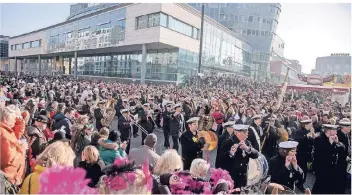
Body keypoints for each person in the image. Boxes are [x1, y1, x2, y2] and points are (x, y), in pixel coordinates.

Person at [219, 124, 259, 189]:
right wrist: (231, 153)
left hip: (242, 177)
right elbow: (221, 159)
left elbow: (256, 155)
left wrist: (248, 149)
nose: (247, 133)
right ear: (237, 133)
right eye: (245, 132)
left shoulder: (247, 143)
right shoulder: (228, 142)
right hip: (231, 176)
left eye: (247, 132)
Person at [312, 124, 346, 194]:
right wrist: (330, 144)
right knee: (320, 188)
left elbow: (343, 149)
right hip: (322, 170)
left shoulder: (334, 139)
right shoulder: (319, 139)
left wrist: (338, 142)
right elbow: (321, 156)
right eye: (334, 131)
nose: (336, 133)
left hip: (332, 170)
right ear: (329, 131)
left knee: (330, 189)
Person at [0, 105, 27, 186]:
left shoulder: (6, 130)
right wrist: (22, 149)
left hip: (11, 177)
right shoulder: (4, 135)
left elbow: (17, 133)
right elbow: (8, 159)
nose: (15, 121)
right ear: (5, 118)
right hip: (8, 178)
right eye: (13, 118)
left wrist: (20, 121)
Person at [294, 118, 315, 191]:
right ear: (306, 125)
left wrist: (312, 135)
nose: (311, 125)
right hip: (300, 155)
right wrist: (306, 135)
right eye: (310, 124)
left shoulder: (310, 132)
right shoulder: (299, 132)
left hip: (307, 155)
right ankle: (300, 184)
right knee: (301, 170)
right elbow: (298, 140)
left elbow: (312, 143)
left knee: (304, 170)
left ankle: (300, 183)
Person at [335, 118, 351, 193]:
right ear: (344, 127)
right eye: (349, 126)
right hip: (338, 162)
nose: (350, 128)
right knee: (339, 181)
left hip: (344, 161)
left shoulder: (346, 134)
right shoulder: (338, 135)